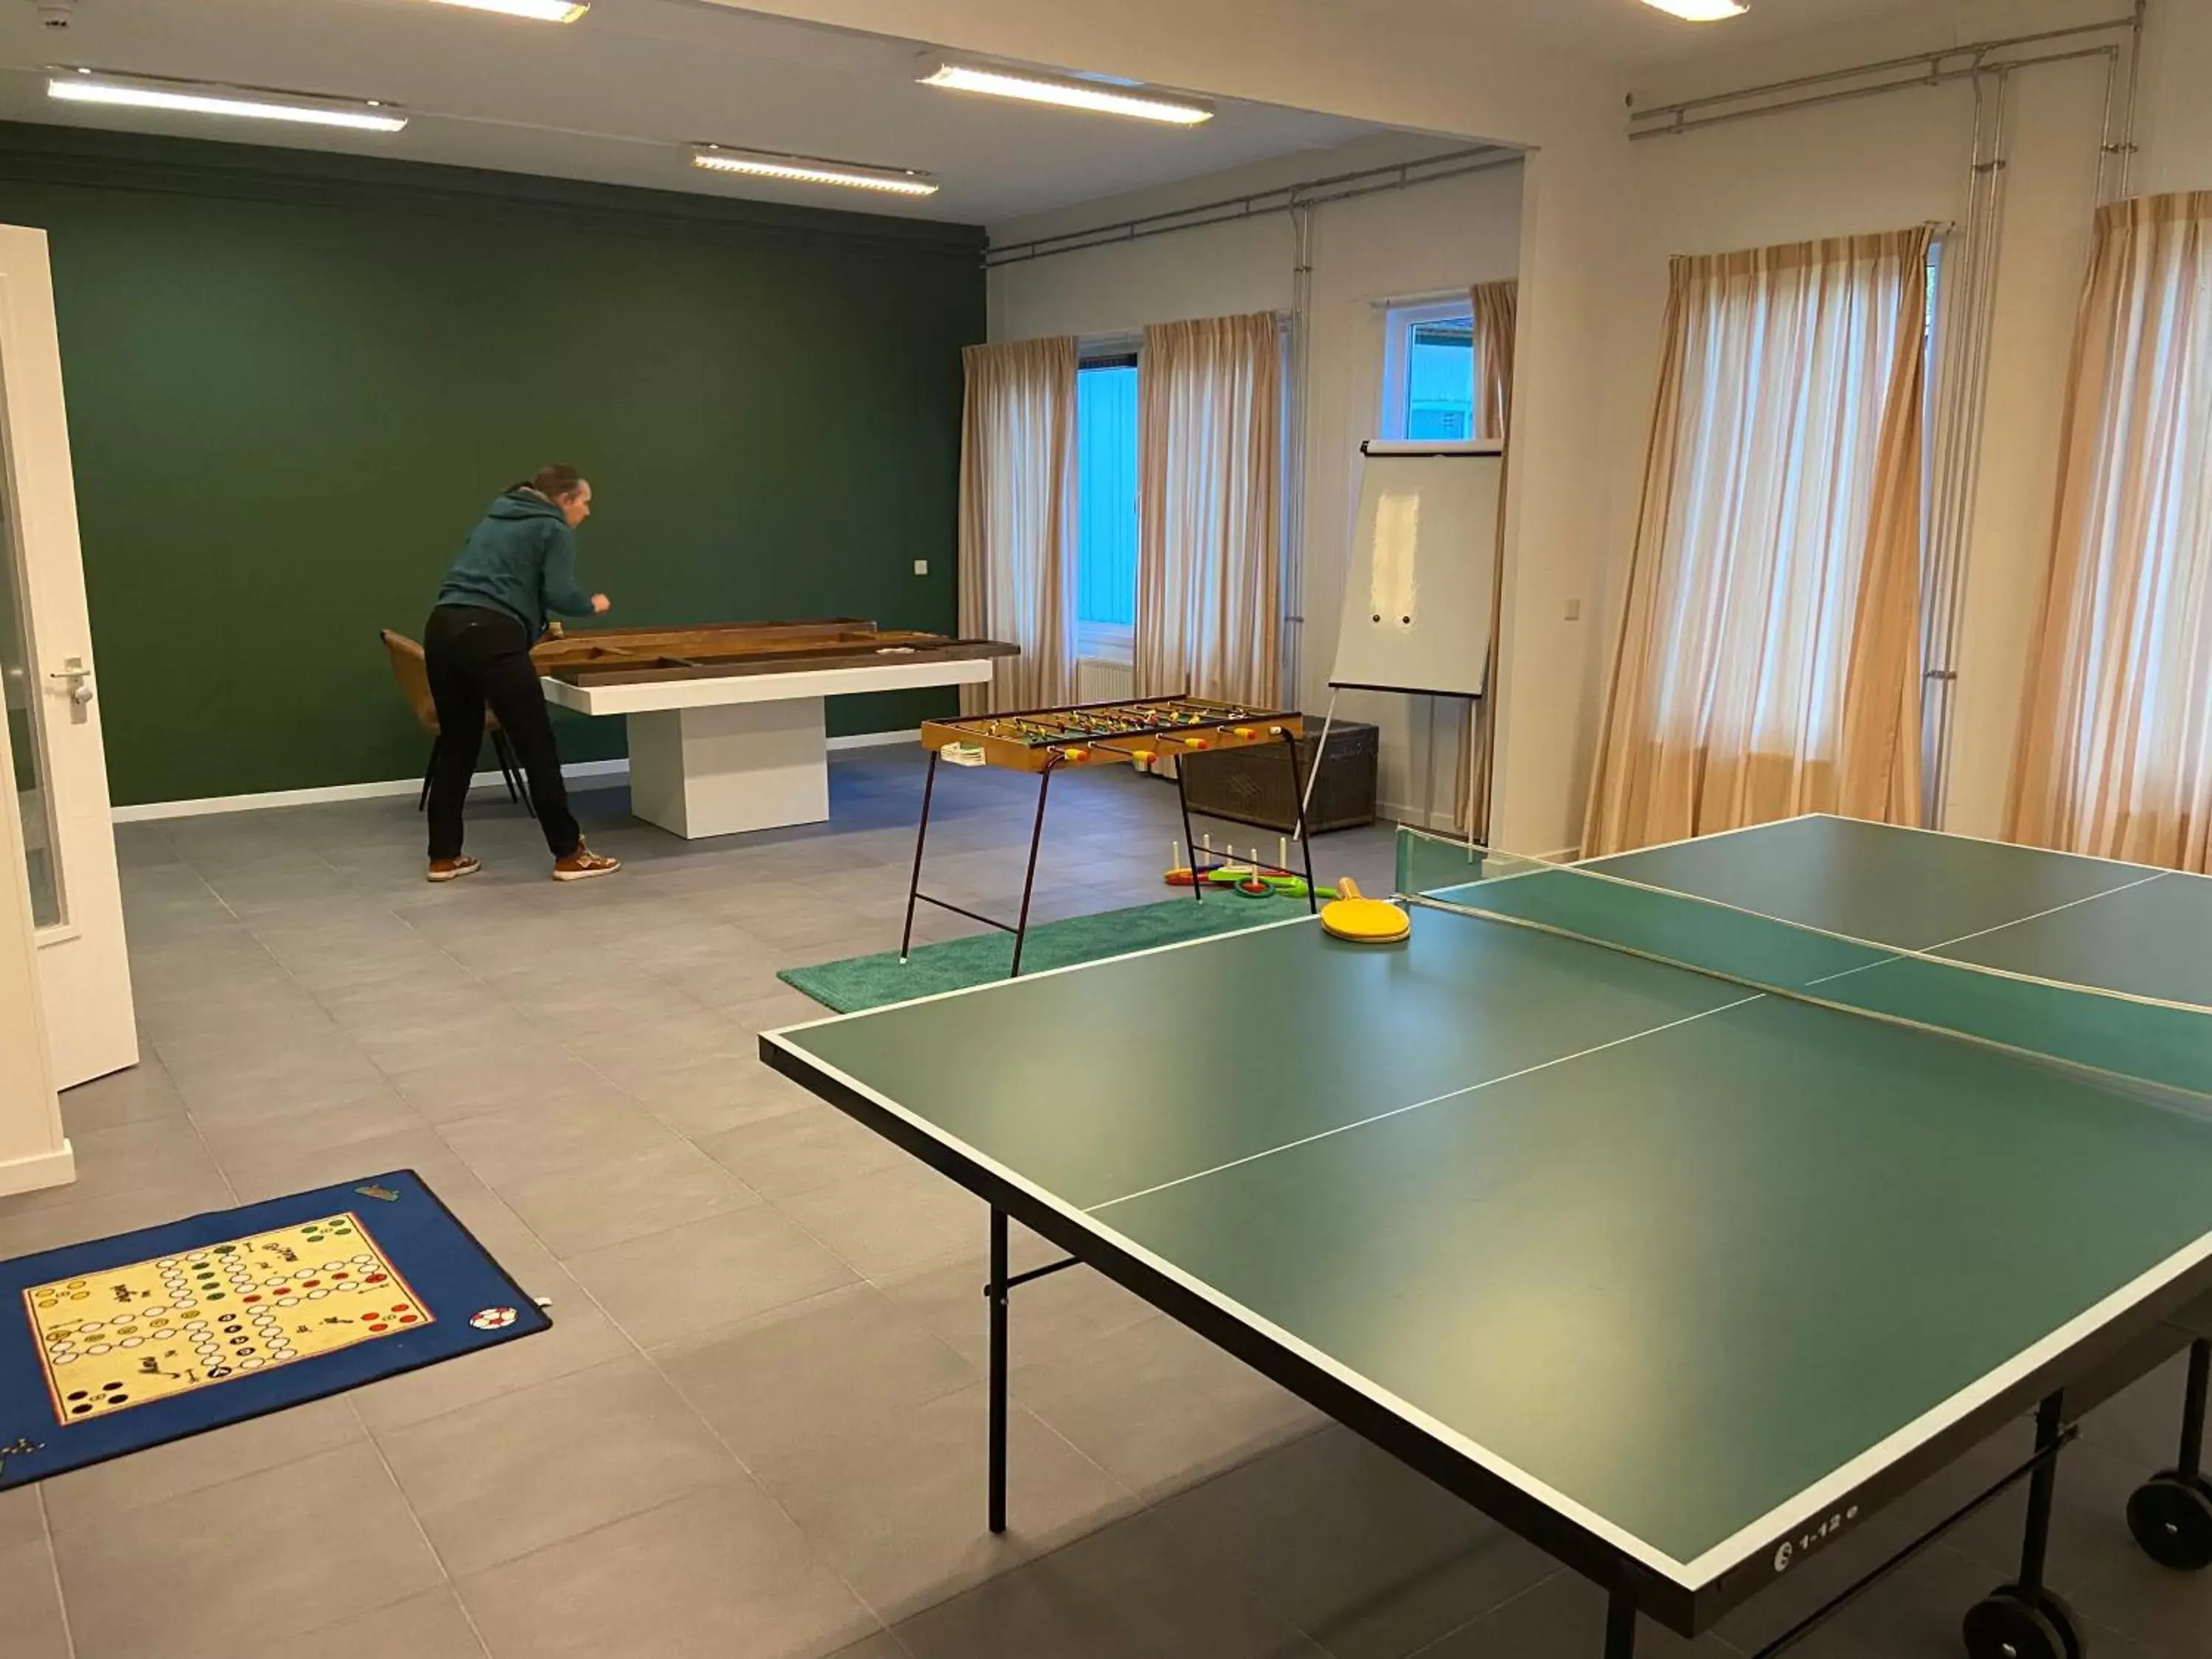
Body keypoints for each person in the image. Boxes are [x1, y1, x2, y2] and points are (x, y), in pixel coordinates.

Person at [422, 465, 622, 883]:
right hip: (492, 633)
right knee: (536, 747)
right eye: (584, 502)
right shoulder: (553, 528)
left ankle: (443, 857)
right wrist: (592, 604)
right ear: (564, 500)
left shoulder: (496, 518)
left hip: (443, 626)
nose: (587, 511)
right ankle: (569, 855)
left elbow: (494, 583)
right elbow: (559, 592)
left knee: (457, 744)